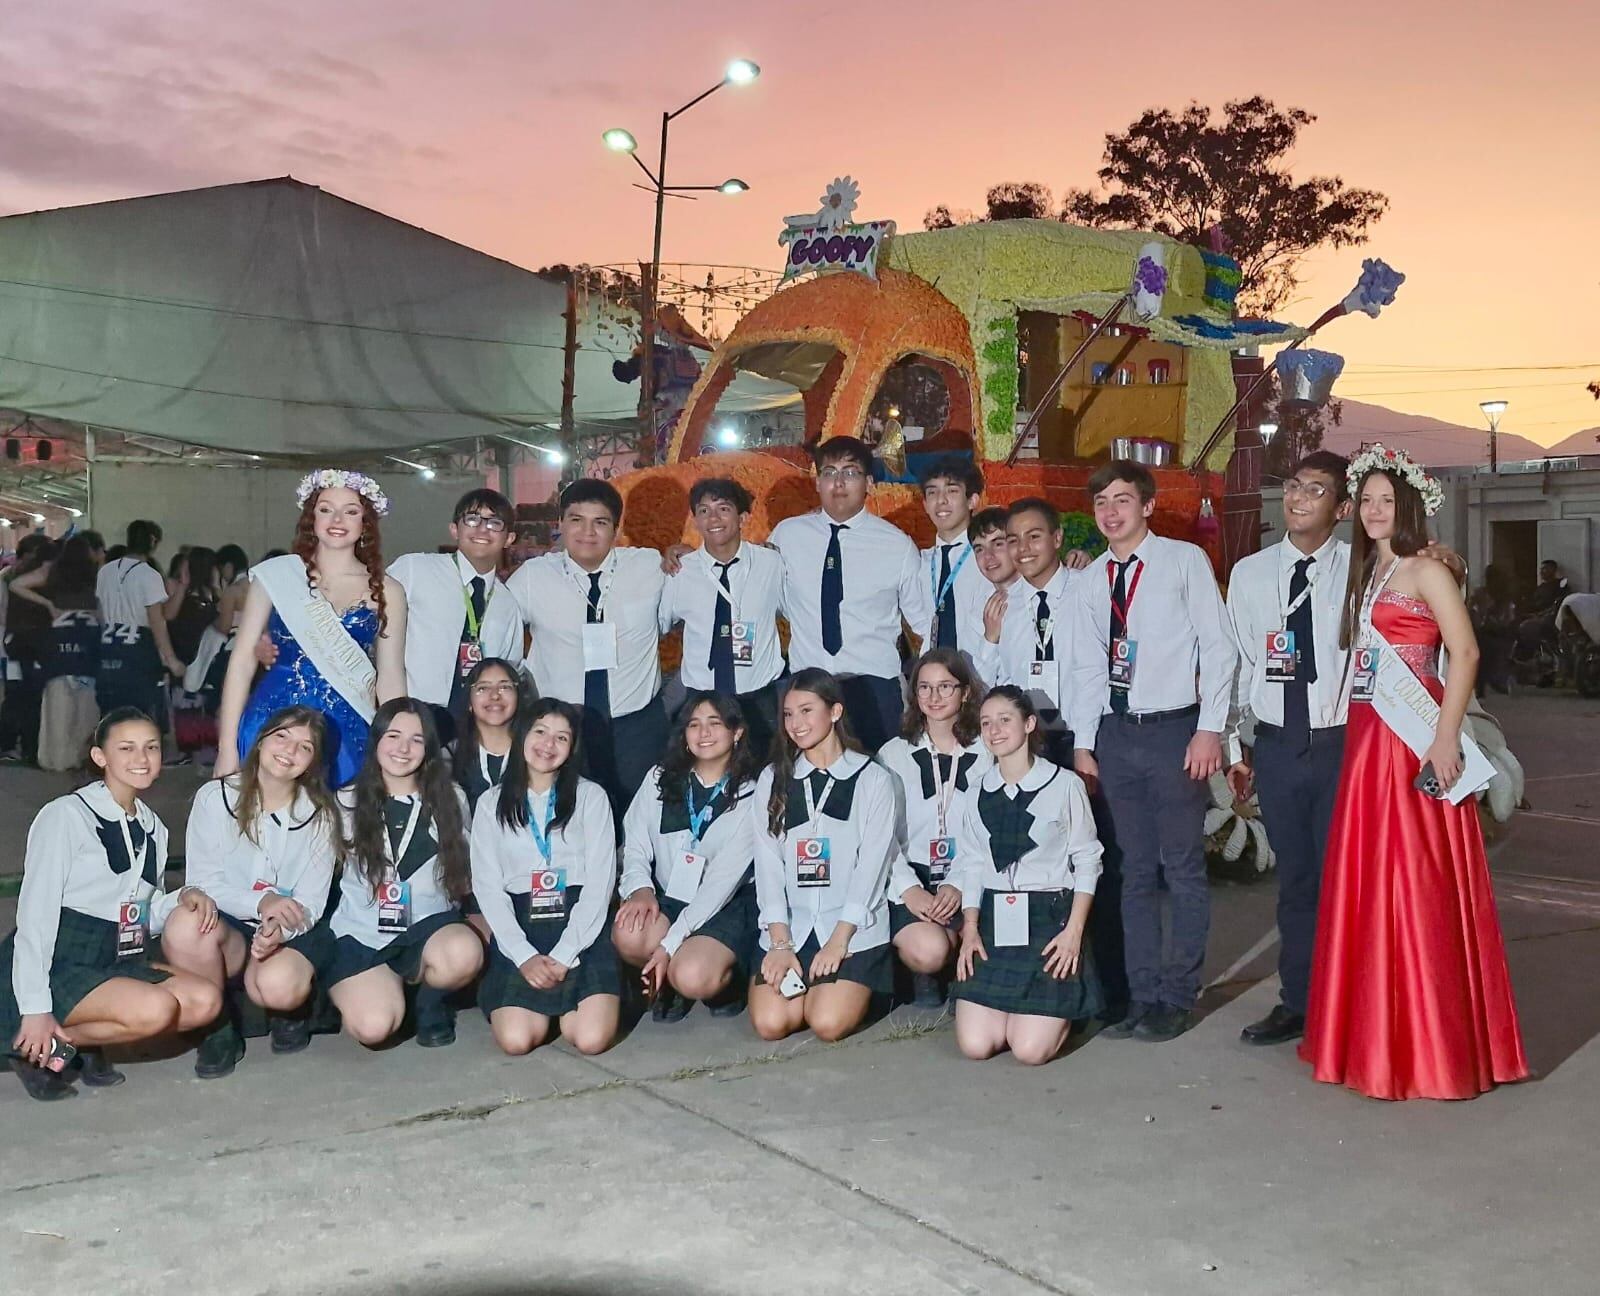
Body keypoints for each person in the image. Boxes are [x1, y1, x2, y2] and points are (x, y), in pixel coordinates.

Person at [1300, 448, 1528, 1100]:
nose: (1375, 510)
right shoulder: (1371, 568)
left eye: (1385, 500)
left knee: (1419, 880)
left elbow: (1466, 651)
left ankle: (1431, 1045)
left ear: (1408, 506)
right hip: (1370, 737)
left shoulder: (1428, 569)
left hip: (1414, 738)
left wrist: (1446, 736)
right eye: (1366, 500)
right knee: (1370, 881)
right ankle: (1372, 1036)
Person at [1070, 461, 1236, 1042]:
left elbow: (1219, 649)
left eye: (1121, 500)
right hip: (1118, 736)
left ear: (1146, 505)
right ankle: (1141, 995)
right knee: (1133, 869)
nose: (1110, 513)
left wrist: (1210, 728)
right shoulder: (1092, 580)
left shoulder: (1182, 562)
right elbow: (1088, 668)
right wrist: (1086, 745)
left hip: (1174, 731)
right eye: (1101, 504)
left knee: (1183, 868)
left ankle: (1178, 994)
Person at [1, 709, 223, 1100]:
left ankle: (65, 1045)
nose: (141, 758)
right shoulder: (67, 816)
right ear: (100, 757)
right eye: (127, 748)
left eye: (151, 747)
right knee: (155, 1009)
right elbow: (36, 915)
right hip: (60, 953)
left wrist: (180, 898)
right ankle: (34, 1042)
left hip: (115, 951)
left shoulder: (154, 827)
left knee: (204, 1001)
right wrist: (35, 1005)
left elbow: (137, 910)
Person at [1223, 451, 1354, 1047]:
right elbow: (1239, 663)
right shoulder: (1250, 574)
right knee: (1297, 880)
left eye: (1316, 490)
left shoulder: (1364, 570)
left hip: (1341, 747)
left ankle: (1351, 1003)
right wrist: (1234, 747)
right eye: (1294, 486)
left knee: (1346, 879)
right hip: (1278, 746)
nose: (1298, 499)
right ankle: (1298, 1002)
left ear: (1343, 508)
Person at [216, 471, 408, 788]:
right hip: (271, 722)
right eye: (325, 509)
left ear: (365, 522)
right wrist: (225, 749)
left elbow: (390, 678)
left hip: (346, 730)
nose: (337, 519)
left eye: (351, 510)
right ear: (311, 517)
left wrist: (396, 745)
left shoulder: (389, 591)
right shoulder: (276, 576)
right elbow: (241, 663)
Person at [307, 701, 481, 1049]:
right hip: (363, 932)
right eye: (394, 735)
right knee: (375, 1028)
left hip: (428, 926)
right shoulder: (343, 802)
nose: (403, 748)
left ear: (429, 748)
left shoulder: (453, 798)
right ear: (376, 741)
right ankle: (367, 991)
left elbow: (468, 872)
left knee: (465, 952)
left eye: (417, 739)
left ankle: (430, 1003)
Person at [182, 706, 342, 1076]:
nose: (289, 751)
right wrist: (261, 901)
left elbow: (312, 902)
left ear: (314, 760)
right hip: (230, 921)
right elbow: (202, 882)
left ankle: (294, 1012)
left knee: (276, 986)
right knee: (185, 922)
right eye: (282, 736)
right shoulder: (214, 797)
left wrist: (279, 930)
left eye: (305, 747)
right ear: (261, 739)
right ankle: (215, 1028)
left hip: (289, 925)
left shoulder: (320, 814)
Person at [951, 687, 1104, 1065]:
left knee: (1030, 1051)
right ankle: (1016, 1012)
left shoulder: (1064, 785)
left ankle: (1060, 1010)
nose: (994, 730)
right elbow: (972, 862)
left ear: (1029, 723)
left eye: (1005, 720)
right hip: (995, 919)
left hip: (1050, 921)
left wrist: (1074, 933)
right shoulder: (976, 791)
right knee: (975, 1045)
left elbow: (1088, 859)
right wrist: (970, 926)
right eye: (986, 723)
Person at [749, 668, 897, 1043]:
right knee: (771, 1023)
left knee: (826, 1023)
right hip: (793, 930)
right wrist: (780, 943)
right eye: (787, 714)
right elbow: (767, 865)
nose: (795, 724)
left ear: (834, 712)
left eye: (806, 710)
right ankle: (813, 987)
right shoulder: (773, 778)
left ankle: (866, 991)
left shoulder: (872, 778)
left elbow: (873, 867)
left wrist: (839, 939)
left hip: (850, 930)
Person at [507, 478, 668, 821]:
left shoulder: (650, 567)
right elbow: (498, 635)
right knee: (565, 819)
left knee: (641, 819)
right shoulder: (533, 577)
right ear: (560, 525)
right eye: (576, 520)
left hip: (636, 725)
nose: (587, 532)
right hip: (562, 727)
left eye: (600, 522)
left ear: (616, 528)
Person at [471, 698, 621, 1056]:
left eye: (561, 738)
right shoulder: (491, 803)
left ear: (572, 749)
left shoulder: (590, 797)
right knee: (516, 1041)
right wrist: (523, 955)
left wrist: (567, 952)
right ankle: (541, 1008)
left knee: (590, 1039)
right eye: (540, 732)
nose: (547, 745)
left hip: (580, 921)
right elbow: (488, 888)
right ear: (523, 735)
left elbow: (601, 883)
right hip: (520, 925)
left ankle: (584, 1004)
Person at [769, 436, 932, 753]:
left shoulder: (897, 546)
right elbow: (758, 597)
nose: (839, 482)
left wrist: (928, 693)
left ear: (869, 482)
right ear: (817, 483)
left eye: (851, 472)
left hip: (873, 688)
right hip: (807, 688)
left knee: (879, 780)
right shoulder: (786, 536)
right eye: (829, 472)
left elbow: (924, 625)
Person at [614, 691, 762, 1022]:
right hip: (673, 894)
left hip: (726, 902)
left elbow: (721, 884)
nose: (703, 733)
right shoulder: (659, 777)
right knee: (629, 931)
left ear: (737, 732)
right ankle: (669, 983)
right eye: (693, 724)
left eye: (714, 723)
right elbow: (635, 842)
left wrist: (669, 944)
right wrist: (639, 888)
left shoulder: (752, 793)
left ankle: (725, 984)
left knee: (693, 974)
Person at [876, 649, 990, 1006]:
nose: (934, 697)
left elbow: (990, 830)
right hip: (914, 874)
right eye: (924, 688)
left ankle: (959, 960)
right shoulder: (892, 754)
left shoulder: (989, 750)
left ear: (966, 692)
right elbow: (878, 836)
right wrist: (910, 890)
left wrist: (958, 882)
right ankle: (926, 969)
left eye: (945, 687)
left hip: (971, 871)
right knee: (929, 948)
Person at [660, 478, 786, 759]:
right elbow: (657, 625)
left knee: (765, 779)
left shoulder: (771, 564)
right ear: (695, 520)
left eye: (723, 509)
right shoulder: (681, 571)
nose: (713, 518)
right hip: (701, 702)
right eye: (703, 511)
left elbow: (797, 610)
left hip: (759, 700)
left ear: (743, 517)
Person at [388, 488, 523, 745]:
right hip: (411, 718)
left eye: (495, 523)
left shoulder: (507, 604)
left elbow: (509, 669)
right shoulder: (415, 570)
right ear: (454, 529)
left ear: (509, 538)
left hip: (472, 729)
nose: (483, 530)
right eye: (472, 519)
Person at [975, 499, 1083, 764]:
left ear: (1057, 538)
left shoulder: (1087, 591)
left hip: (1083, 736)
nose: (1023, 549)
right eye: (1013, 540)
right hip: (1029, 741)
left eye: (1033, 537)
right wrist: (990, 640)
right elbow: (987, 684)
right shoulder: (1004, 606)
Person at [20, 536, 102, 772]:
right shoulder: (94, 574)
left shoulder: (53, 572)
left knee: (58, 700)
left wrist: (48, 605)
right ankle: (83, 755)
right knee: (86, 700)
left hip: (60, 634)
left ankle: (56, 758)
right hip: (87, 633)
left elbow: (18, 585)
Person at [95, 521, 184, 720]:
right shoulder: (149, 575)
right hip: (138, 650)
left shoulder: (105, 571)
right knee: (138, 715)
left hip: (108, 645)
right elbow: (157, 621)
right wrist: (171, 660)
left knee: (110, 715)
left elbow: (99, 613)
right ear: (153, 542)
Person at [917, 456, 991, 658]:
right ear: (924, 504)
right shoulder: (920, 562)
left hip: (984, 674)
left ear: (972, 500)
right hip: (934, 678)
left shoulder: (990, 558)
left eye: (952, 491)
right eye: (932, 492)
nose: (941, 500)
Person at [0, 536, 60, 764]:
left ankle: (14, 746)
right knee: (30, 697)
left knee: (18, 696)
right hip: (28, 644)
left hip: (15, 643)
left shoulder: (15, 576)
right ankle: (28, 748)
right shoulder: (34, 579)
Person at [453, 656, 531, 813]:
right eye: (483, 688)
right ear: (469, 702)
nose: (495, 695)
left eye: (505, 687)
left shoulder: (535, 750)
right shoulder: (451, 754)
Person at [1468, 564, 1517, 697]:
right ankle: (1484, 685)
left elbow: (1507, 618)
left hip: (1497, 633)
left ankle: (1487, 684)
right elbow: (1473, 611)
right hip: (1485, 632)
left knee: (1485, 653)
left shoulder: (1503, 595)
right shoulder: (1482, 593)